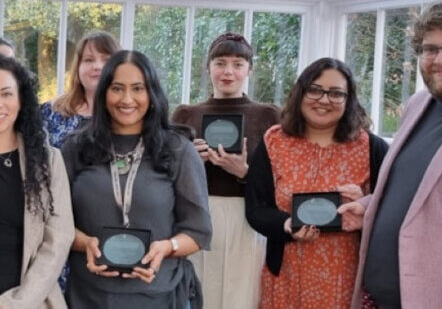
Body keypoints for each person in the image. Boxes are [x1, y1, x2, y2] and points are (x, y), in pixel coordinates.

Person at [62, 50, 212, 309]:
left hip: (159, 295)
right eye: (117, 88)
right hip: (88, 295)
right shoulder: (76, 147)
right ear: (103, 94)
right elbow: (55, 223)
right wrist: (85, 243)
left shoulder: (178, 150)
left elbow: (198, 231)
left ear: (151, 94)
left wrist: (167, 247)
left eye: (138, 89)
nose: (127, 99)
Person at [245, 57, 389, 308]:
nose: (324, 100)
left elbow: (394, 212)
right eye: (315, 90)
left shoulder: (372, 148)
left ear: (349, 99)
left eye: (336, 93)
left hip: (348, 281)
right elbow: (256, 209)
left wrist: (367, 205)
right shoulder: (274, 142)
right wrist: (287, 224)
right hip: (286, 278)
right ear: (300, 93)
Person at [338, 3, 442, 309]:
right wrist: (370, 207)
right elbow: (414, 192)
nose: (437, 60)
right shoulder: (417, 105)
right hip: (377, 298)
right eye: (430, 49)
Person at [172, 32, 280, 309]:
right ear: (208, 67)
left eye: (237, 64)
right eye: (220, 63)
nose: (228, 72)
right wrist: (188, 163)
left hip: (247, 220)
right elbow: (163, 175)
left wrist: (246, 173)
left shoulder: (269, 116)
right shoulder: (184, 115)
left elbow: (282, 181)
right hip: (196, 216)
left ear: (249, 70)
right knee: (199, 291)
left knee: (241, 295)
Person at [0, 56, 74, 308]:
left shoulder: (47, 160)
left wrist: (18, 303)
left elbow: (59, 238)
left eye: (6, 94)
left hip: (31, 301)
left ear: (21, 99)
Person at [41, 30, 120, 148]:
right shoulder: (51, 112)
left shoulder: (129, 113)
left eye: (106, 60)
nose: (97, 66)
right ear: (78, 67)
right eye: (89, 60)